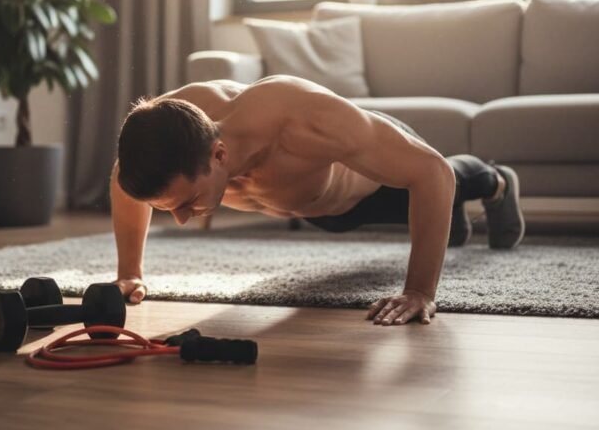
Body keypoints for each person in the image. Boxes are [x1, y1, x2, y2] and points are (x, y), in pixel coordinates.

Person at [109, 75, 525, 326]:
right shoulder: (167, 134)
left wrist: (419, 290)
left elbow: (431, 173)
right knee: (438, 218)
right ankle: (451, 217)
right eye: (172, 208)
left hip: (370, 190)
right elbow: (121, 180)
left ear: (219, 154)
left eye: (188, 202)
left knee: (448, 179)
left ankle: (496, 181)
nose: (181, 219)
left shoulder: (303, 120)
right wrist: (130, 271)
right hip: (318, 210)